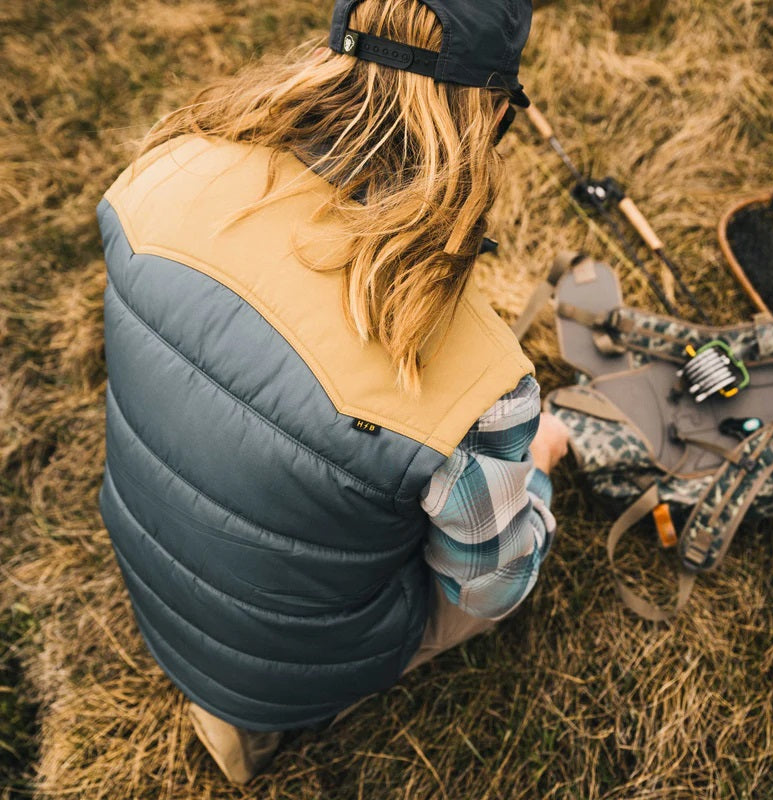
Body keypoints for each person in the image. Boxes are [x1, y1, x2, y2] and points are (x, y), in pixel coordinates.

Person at [96, 0, 569, 785]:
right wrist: (541, 464)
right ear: (486, 113)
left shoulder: (160, 171)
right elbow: (491, 586)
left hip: (147, 572)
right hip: (284, 667)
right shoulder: (481, 385)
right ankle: (269, 715)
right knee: (492, 543)